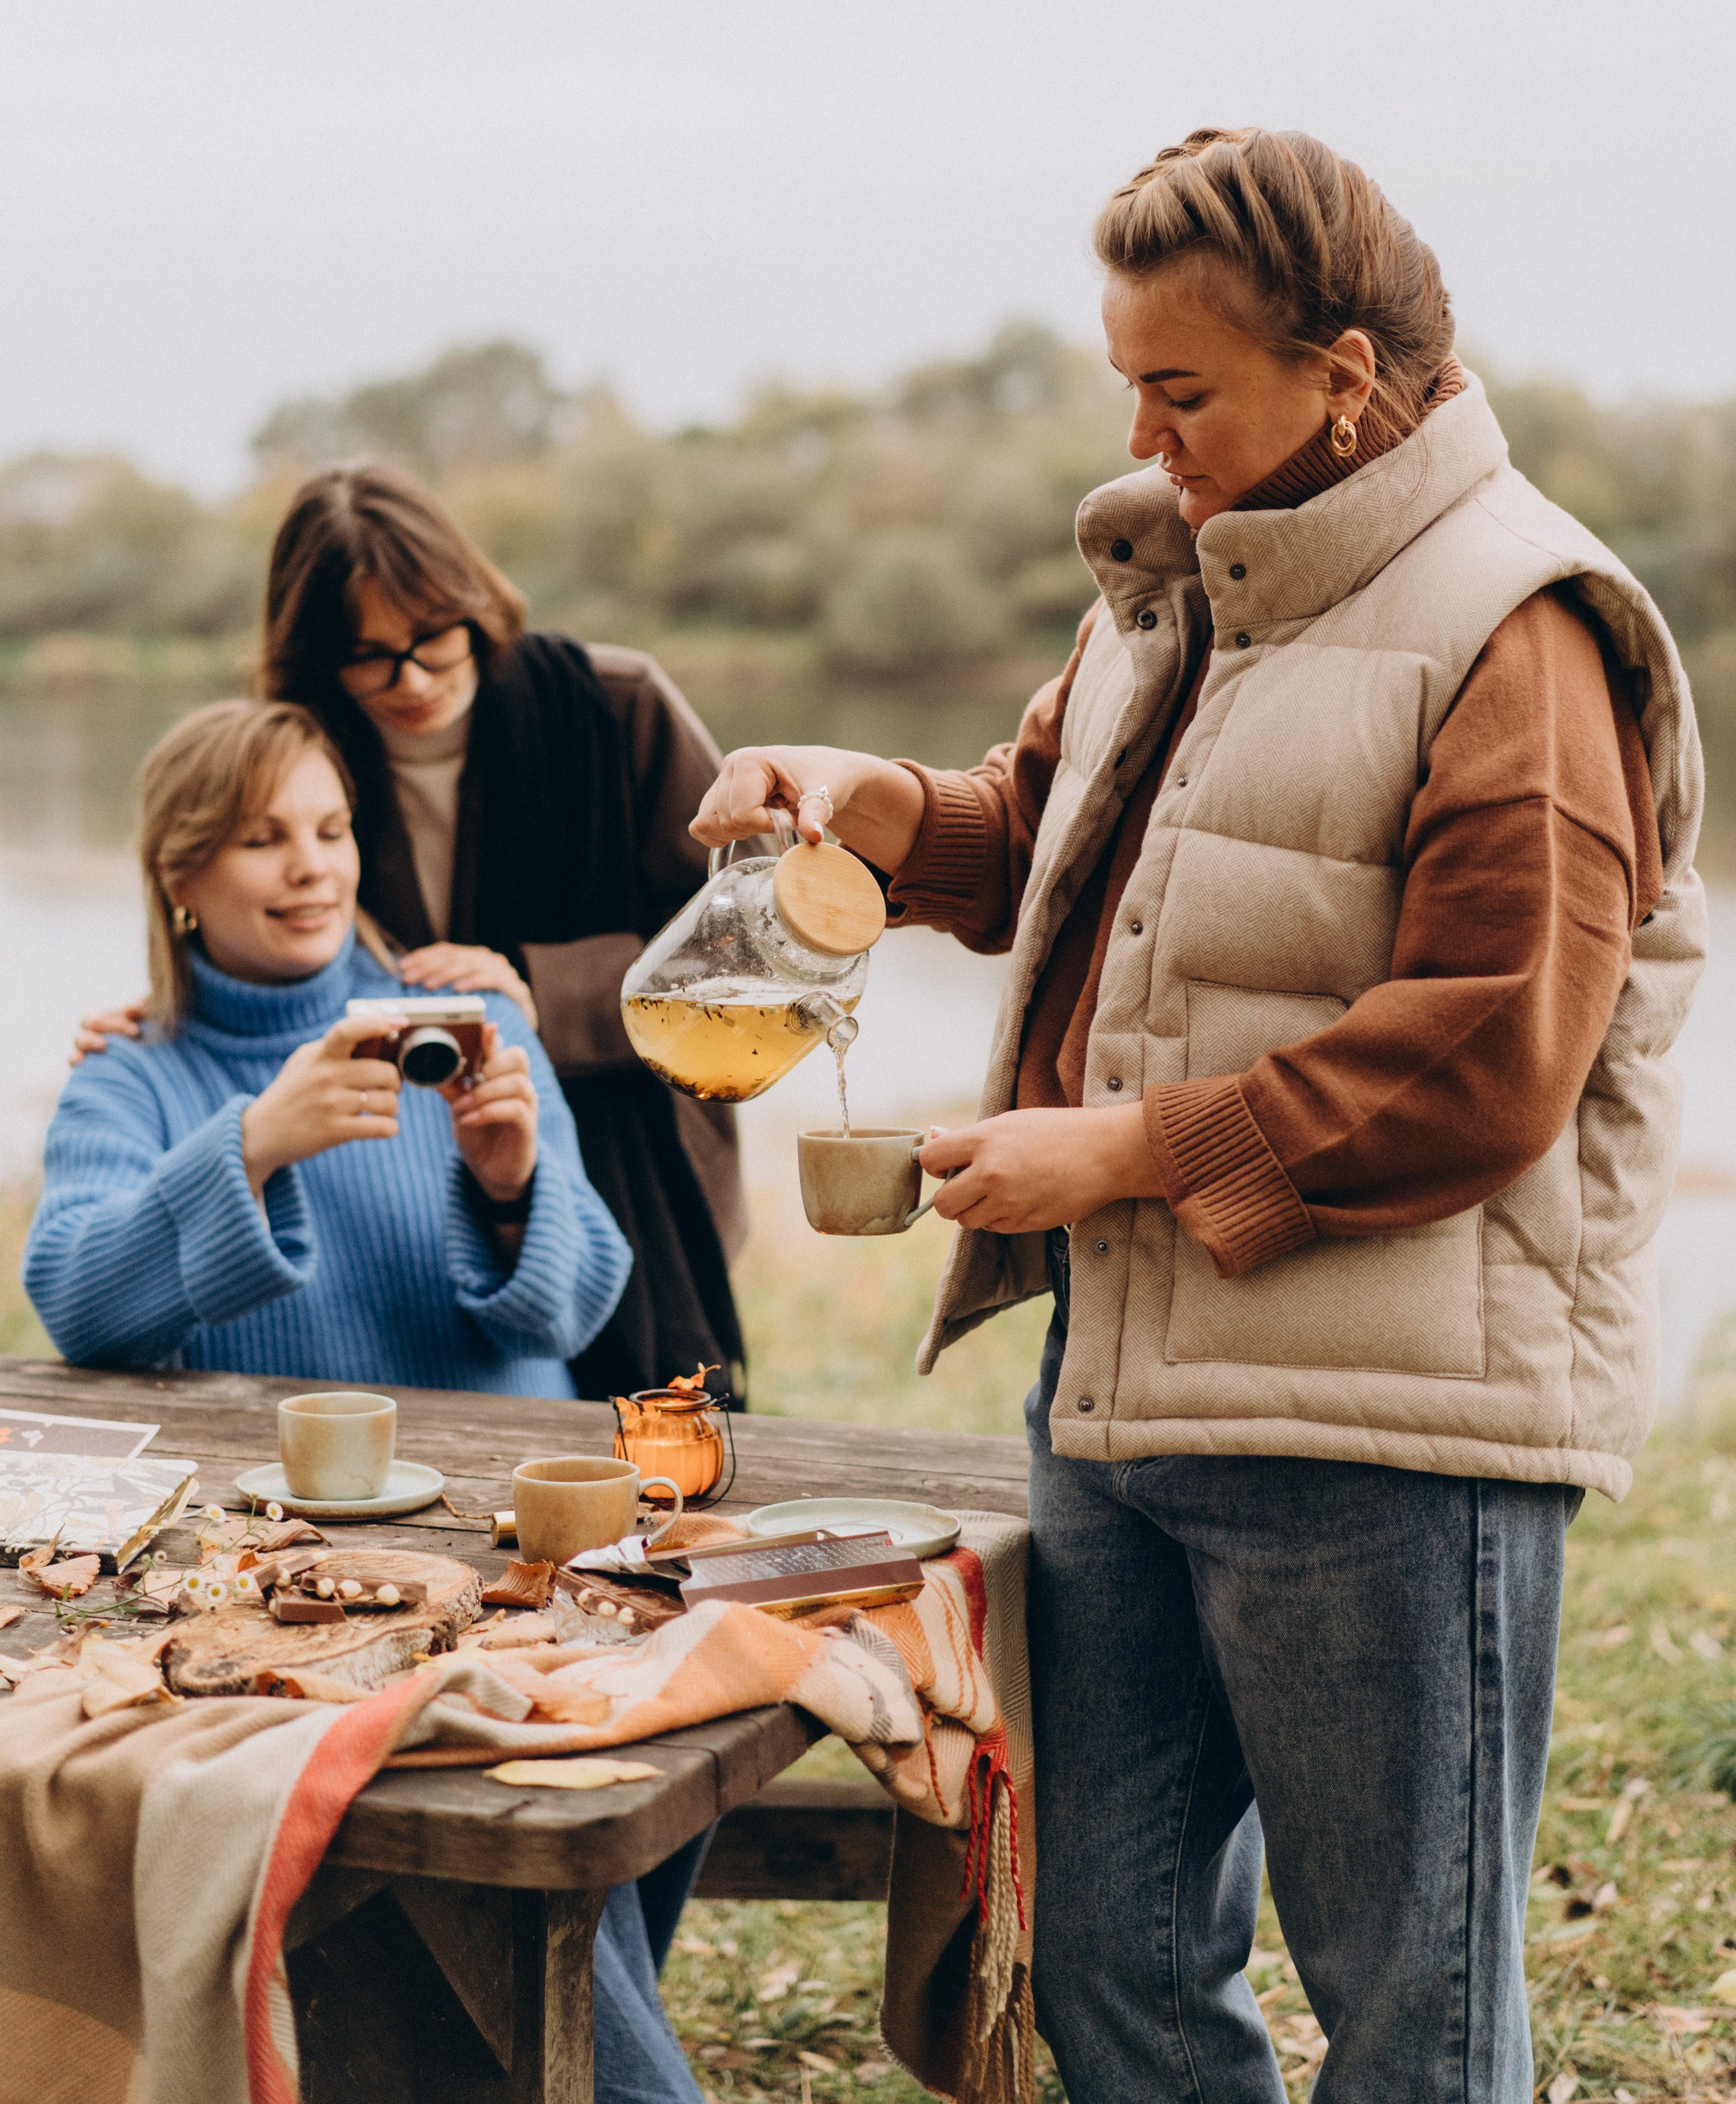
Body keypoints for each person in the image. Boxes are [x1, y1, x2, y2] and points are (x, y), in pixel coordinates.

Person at [690, 128, 1705, 2103]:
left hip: (1391, 1448)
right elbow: (1049, 849)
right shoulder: (1183, 585)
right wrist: (875, 807)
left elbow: (1495, 1047)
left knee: (1414, 2012)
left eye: (1184, 389)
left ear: (1342, 374)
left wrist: (1131, 1150)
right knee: (1107, 1963)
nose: (1148, 434)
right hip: (1125, 1389)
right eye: (1126, 387)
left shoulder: (1528, 627)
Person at [25, 698, 707, 2104]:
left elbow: (574, 1311)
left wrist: (517, 1178)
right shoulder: (134, 1078)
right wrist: (251, 1146)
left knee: (643, 1785)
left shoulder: (461, 1029)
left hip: (529, 1570)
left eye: (330, 831)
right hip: (293, 1597)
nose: (310, 867)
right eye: (261, 838)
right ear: (181, 875)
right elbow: (77, 1303)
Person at [77, 461, 747, 1403]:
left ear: (475, 605)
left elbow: (758, 938)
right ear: (316, 657)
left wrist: (531, 991)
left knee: (647, 1418)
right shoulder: (305, 748)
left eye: (435, 637)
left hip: (627, 1143)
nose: (414, 678)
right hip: (412, 1148)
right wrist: (177, 1004)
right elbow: (263, 920)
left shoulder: (617, 707)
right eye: (369, 654)